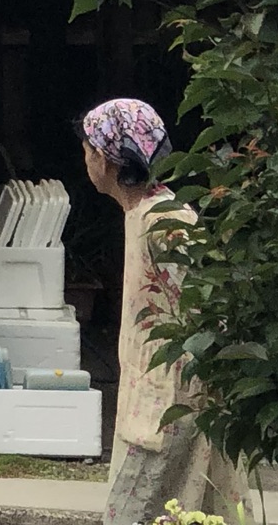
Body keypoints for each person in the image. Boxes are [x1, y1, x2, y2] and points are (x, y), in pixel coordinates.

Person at [83, 98, 243, 525]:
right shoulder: (142, 214)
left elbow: (211, 309)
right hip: (151, 400)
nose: (86, 160)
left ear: (105, 157)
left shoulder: (164, 220)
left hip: (169, 404)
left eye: (88, 149)